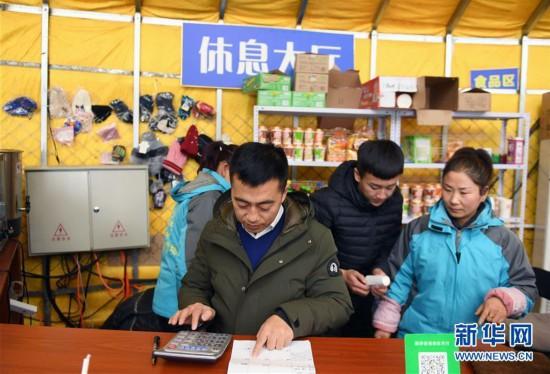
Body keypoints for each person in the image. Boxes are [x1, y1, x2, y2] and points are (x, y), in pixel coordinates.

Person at [169, 142, 353, 356]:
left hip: (284, 357)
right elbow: (194, 285)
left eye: (265, 206)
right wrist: (196, 305)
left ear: (284, 193)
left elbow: (337, 303)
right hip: (225, 353)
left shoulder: (315, 238)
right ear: (231, 188)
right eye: (242, 204)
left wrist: (289, 318)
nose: (253, 216)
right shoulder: (216, 231)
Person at [373, 147, 538, 338]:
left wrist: (503, 301)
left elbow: (526, 289)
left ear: (483, 192)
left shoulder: (504, 240)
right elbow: (398, 282)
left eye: (464, 192)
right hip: (421, 338)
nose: (453, 200)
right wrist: (384, 328)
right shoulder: (417, 230)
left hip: (478, 342)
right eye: (448, 189)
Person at [102, 141, 236, 331]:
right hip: (183, 308)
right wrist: (197, 300)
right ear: (225, 168)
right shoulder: (209, 197)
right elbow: (194, 257)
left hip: (172, 298)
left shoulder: (197, 191)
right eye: (241, 175)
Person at [311, 140, 404, 337]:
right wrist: (342, 275)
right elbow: (311, 254)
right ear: (357, 175)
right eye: (374, 186)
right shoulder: (326, 202)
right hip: (329, 295)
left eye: (390, 187)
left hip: (372, 296)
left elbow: (390, 244)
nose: (382, 195)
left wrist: (382, 270)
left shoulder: (395, 200)